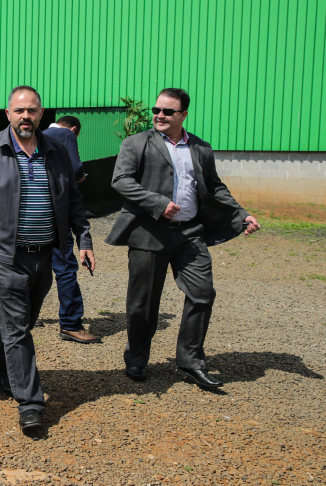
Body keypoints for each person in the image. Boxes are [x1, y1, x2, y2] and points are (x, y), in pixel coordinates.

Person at [106, 87, 261, 389]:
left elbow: (215, 187)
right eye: (157, 110)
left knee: (203, 293)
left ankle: (190, 362)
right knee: (143, 303)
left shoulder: (201, 148)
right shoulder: (136, 143)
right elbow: (120, 180)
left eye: (168, 111)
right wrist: (157, 202)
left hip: (190, 233)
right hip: (149, 233)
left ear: (183, 115)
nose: (159, 115)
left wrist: (241, 214)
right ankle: (137, 358)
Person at [0, 86, 94, 433]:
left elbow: (74, 199)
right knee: (19, 328)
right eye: (19, 110)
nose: (26, 117)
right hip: (6, 255)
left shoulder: (56, 151)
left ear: (41, 114)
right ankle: (31, 403)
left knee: (20, 323)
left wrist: (84, 239)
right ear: (8, 114)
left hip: (45, 254)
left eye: (32, 111)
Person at [41, 115, 101, 343]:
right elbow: (76, 170)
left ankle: (29, 316)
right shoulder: (65, 135)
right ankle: (70, 323)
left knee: (31, 269)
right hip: (58, 216)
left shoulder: (34, 136)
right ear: (74, 129)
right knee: (65, 269)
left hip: (31, 217)